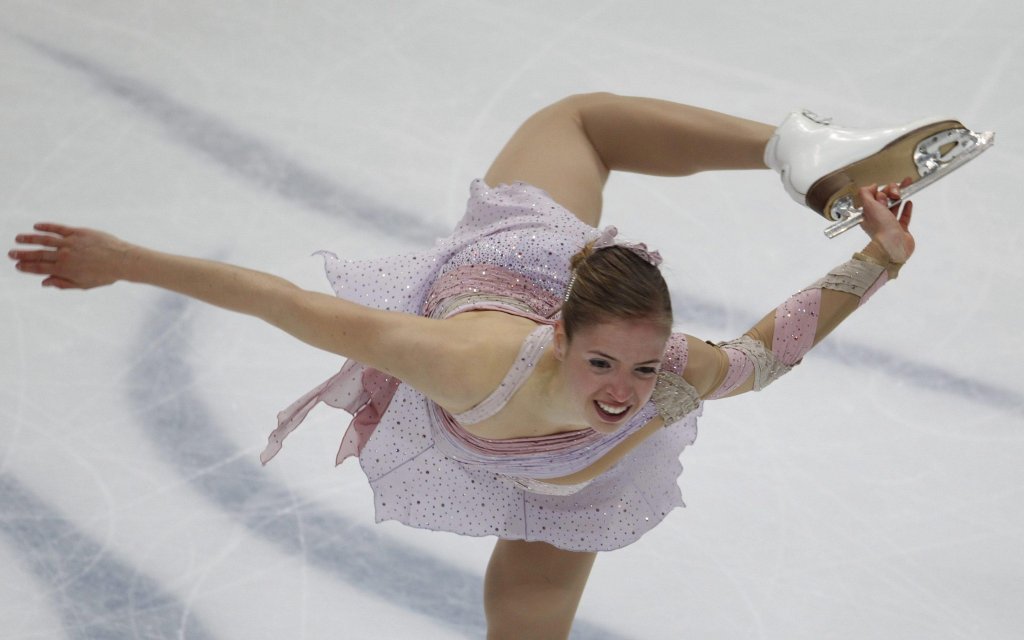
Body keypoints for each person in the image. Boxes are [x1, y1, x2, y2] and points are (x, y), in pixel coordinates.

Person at [8, 93, 989, 639]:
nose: (621, 392)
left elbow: (764, 355)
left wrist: (877, 260)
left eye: (641, 372)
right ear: (557, 339)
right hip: (505, 274)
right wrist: (124, 259)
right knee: (582, 122)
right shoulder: (458, 357)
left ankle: (806, 153)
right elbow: (288, 302)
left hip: (566, 487)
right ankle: (798, 146)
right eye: (602, 361)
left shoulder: (668, 374)